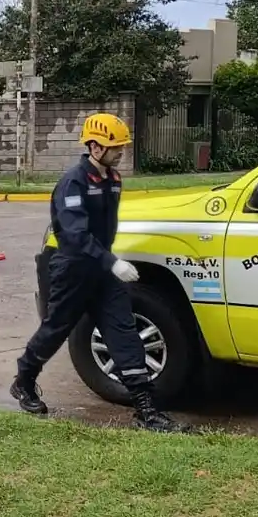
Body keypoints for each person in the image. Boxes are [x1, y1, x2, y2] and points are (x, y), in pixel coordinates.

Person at [10, 113, 182, 433]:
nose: (121, 152)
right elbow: (74, 235)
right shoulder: (73, 182)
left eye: (121, 147)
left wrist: (109, 263)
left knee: (123, 332)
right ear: (94, 147)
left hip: (102, 269)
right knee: (56, 330)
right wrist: (111, 263)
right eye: (114, 146)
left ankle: (146, 410)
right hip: (72, 269)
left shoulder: (113, 180)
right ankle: (24, 380)